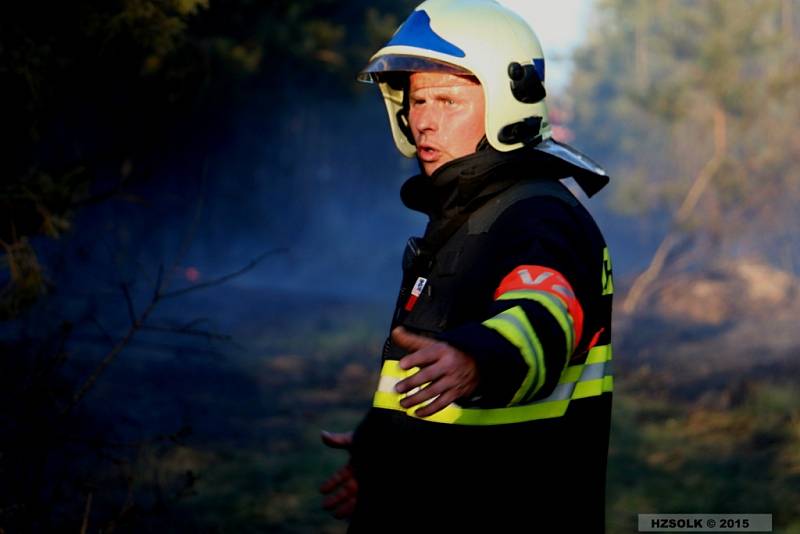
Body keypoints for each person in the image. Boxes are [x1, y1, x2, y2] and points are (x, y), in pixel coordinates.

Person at [320, 0, 615, 531]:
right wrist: (385, 455)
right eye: (415, 100)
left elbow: (546, 308)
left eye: (448, 100)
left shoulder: (536, 214)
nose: (423, 121)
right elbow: (431, 381)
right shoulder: (463, 216)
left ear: (509, 101)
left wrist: (485, 356)